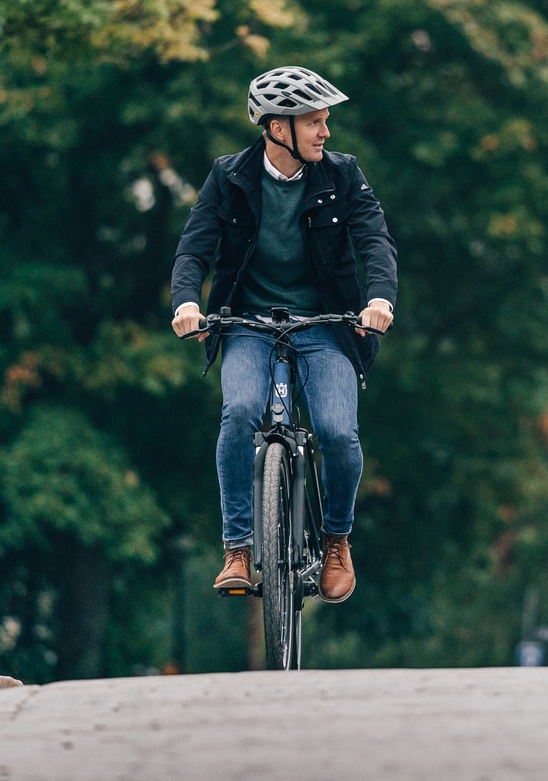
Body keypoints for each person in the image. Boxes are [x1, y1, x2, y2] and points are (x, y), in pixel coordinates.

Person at [170, 66, 398, 605]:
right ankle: (238, 549)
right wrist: (185, 302)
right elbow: (194, 249)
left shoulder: (343, 175)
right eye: (314, 122)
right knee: (240, 410)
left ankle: (336, 540)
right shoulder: (228, 177)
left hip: (326, 325)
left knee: (339, 434)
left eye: (325, 121)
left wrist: (379, 299)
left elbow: (375, 241)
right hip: (248, 323)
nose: (325, 132)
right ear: (278, 129)